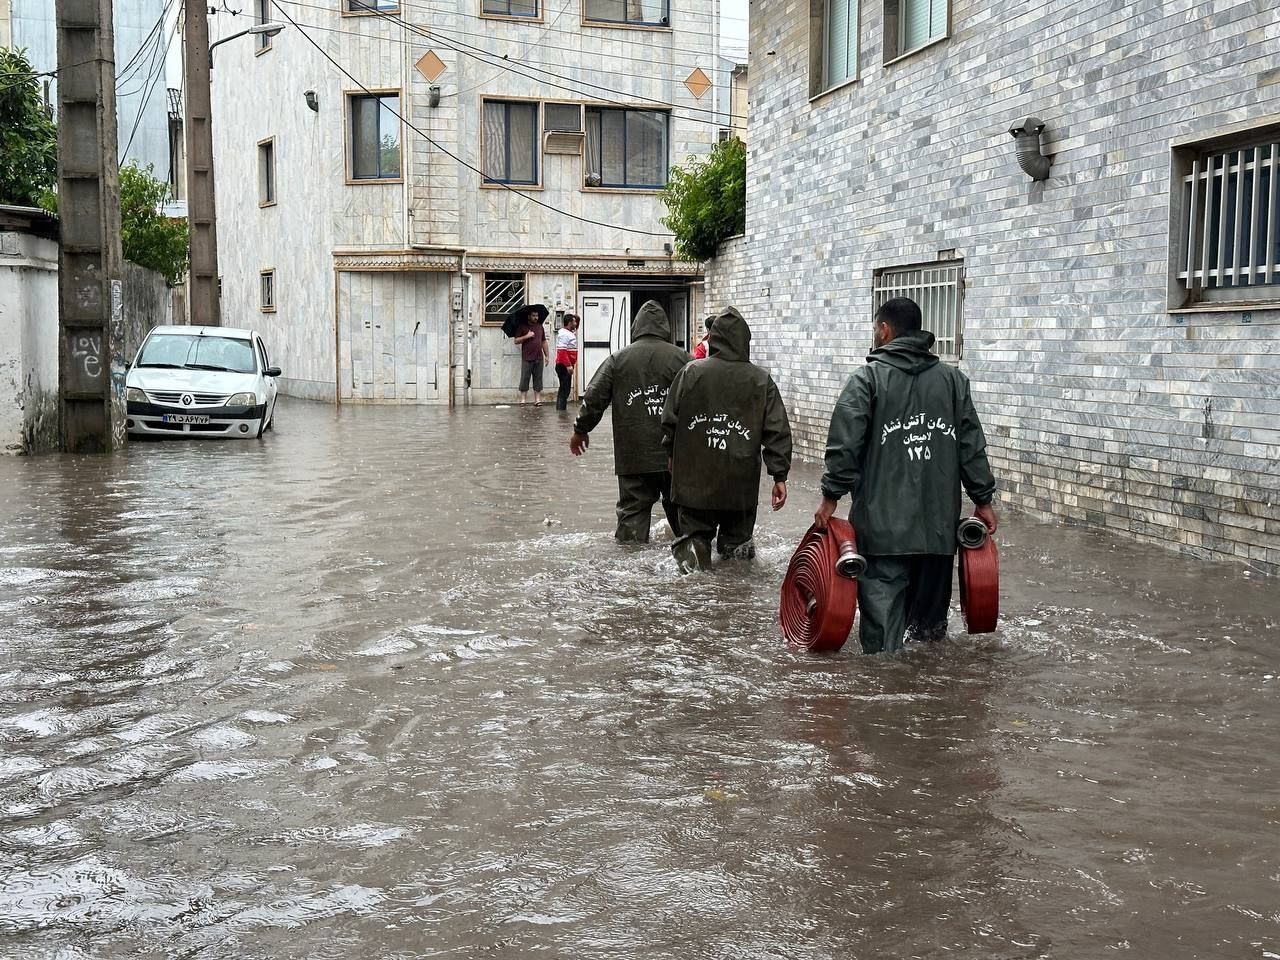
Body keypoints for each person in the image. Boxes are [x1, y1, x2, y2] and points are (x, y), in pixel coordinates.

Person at [814, 296, 998, 655]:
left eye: (875, 329)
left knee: (883, 648)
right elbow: (971, 448)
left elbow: (844, 445)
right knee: (929, 642)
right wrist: (983, 501)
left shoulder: (866, 380)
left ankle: (886, 705)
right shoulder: (953, 381)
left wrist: (830, 496)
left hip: (882, 536)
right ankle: (929, 705)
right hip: (938, 535)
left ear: (884, 330)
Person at [662, 306, 793, 572]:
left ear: (714, 339)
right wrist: (779, 477)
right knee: (738, 556)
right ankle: (734, 601)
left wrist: (671, 456)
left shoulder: (691, 373)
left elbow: (668, 421)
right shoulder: (761, 380)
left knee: (693, 551)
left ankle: (693, 604)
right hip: (740, 487)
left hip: (693, 483)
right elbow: (777, 432)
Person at [570, 301, 690, 543]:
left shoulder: (618, 360)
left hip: (634, 455)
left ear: (636, 327)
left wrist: (580, 430)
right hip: (676, 456)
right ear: (664, 328)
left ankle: (631, 571)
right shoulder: (684, 360)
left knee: (632, 517)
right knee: (684, 517)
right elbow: (702, 405)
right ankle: (693, 567)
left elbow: (594, 398)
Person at [513, 306, 549, 405]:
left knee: (538, 379)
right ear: (529, 316)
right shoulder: (522, 326)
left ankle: (537, 400)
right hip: (527, 358)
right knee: (525, 378)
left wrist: (547, 356)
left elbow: (544, 341)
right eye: (533, 316)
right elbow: (516, 340)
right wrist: (527, 336)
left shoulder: (540, 326)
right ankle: (523, 400)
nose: (536, 317)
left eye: (537, 316)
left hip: (539, 357)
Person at [554, 314, 579, 411]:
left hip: (565, 365)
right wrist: (568, 366)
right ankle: (561, 411)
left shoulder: (568, 333)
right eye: (574, 322)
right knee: (564, 390)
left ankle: (561, 409)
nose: (576, 324)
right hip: (563, 366)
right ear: (569, 323)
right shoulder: (565, 334)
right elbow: (562, 351)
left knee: (565, 389)